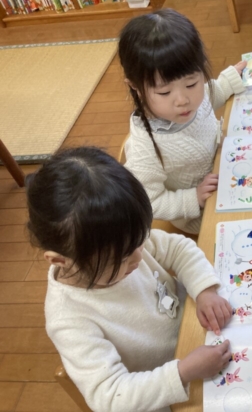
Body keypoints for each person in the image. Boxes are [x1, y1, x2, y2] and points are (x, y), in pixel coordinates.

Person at [27, 147, 232, 412]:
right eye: (122, 258)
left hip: (196, 333)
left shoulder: (122, 239)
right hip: (168, 392)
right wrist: (183, 372)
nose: (138, 257)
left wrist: (205, 290)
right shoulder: (69, 319)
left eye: (140, 241)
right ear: (59, 260)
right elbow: (111, 397)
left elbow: (179, 248)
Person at [119, 8, 247, 234]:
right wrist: (193, 197)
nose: (183, 100)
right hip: (201, 213)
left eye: (191, 84)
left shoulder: (195, 96)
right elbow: (149, 201)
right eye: (164, 92)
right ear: (135, 86)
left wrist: (230, 79)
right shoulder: (144, 147)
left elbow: (212, 94)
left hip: (229, 169)